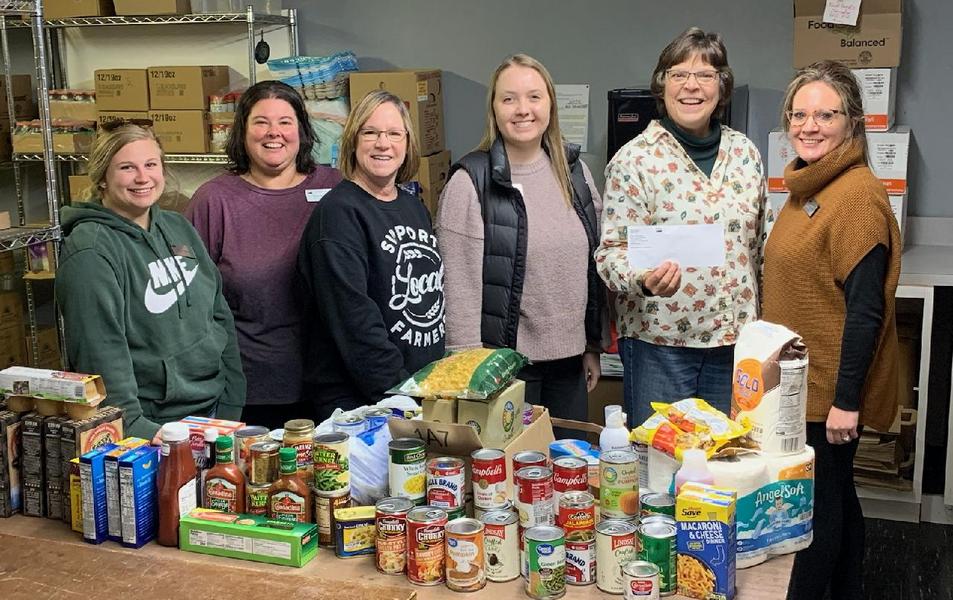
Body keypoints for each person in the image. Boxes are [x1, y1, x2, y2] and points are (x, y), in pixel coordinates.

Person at [763, 60, 901, 600]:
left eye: (826, 114)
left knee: (815, 514)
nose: (810, 125)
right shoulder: (807, 188)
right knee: (837, 496)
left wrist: (846, 401)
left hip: (825, 392)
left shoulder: (858, 196)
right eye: (799, 114)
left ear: (853, 122)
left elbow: (866, 312)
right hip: (801, 384)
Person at [595, 28, 771, 427]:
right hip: (662, 345)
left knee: (728, 461)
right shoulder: (635, 161)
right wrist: (644, 277)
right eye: (678, 74)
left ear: (721, 87)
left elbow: (763, 246)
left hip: (734, 344)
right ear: (663, 85)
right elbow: (610, 254)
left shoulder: (745, 155)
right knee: (664, 469)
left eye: (705, 75)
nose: (691, 86)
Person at [436, 53, 605, 429]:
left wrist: (592, 346)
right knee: (508, 480)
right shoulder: (471, 181)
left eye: (534, 97)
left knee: (567, 470)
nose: (522, 109)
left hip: (570, 364)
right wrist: (467, 371)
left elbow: (592, 266)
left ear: (550, 105)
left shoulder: (574, 172)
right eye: (508, 98)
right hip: (503, 370)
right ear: (494, 109)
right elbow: (458, 287)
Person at [57, 122, 245, 442]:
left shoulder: (177, 227)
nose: (143, 178)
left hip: (213, 413)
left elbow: (218, 314)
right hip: (155, 427)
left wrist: (232, 397)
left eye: (151, 164)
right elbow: (100, 351)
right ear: (102, 176)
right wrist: (137, 427)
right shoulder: (90, 250)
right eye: (127, 167)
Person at [187, 81, 341, 429]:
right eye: (261, 122)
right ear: (242, 131)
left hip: (331, 384)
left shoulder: (335, 188)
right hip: (250, 389)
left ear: (302, 130)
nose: (274, 133)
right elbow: (189, 302)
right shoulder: (215, 201)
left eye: (285, 121)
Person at [297, 90, 444, 422]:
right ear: (353, 141)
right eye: (371, 132)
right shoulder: (338, 215)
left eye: (394, 133)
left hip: (417, 394)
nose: (383, 143)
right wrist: (404, 402)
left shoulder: (412, 206)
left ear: (407, 143)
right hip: (364, 406)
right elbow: (356, 326)